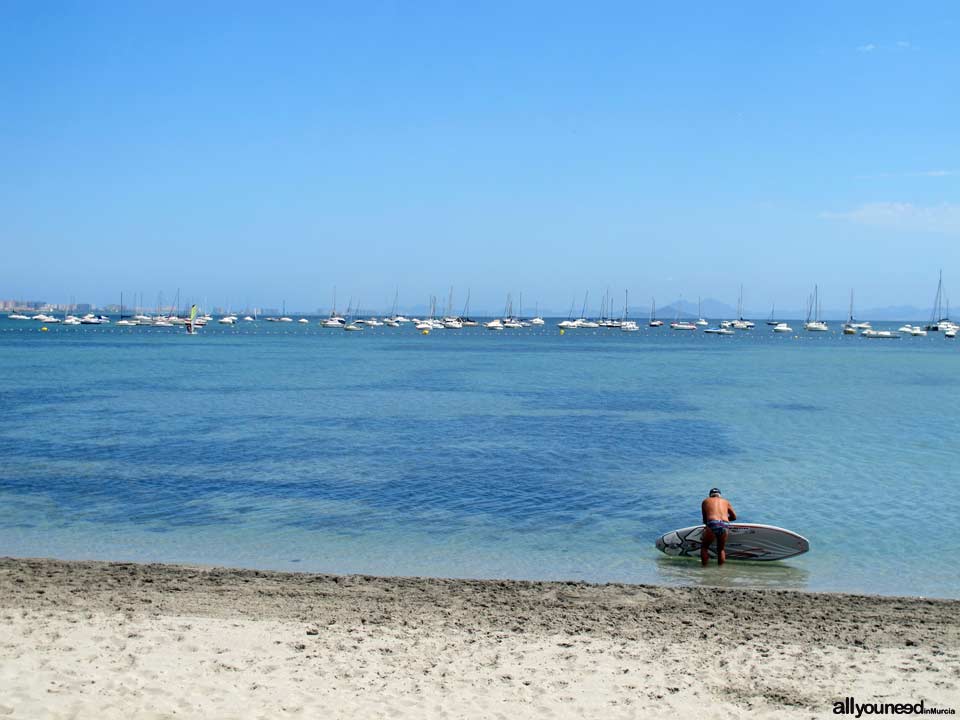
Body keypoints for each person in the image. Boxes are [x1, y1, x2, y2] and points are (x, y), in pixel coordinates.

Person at [700, 488, 736, 567]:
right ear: (720, 495)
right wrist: (724, 520)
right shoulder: (726, 502)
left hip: (712, 523)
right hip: (725, 524)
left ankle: (704, 568)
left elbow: (705, 520)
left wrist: (708, 528)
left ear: (710, 495)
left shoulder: (705, 501)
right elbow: (734, 517)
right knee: (721, 549)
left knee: (704, 547)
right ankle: (720, 570)